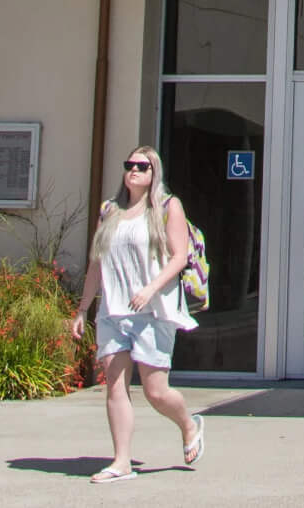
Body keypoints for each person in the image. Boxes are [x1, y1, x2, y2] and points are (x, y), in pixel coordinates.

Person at [69, 146, 206, 482]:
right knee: (115, 386)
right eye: (129, 165)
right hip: (113, 312)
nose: (134, 170)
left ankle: (189, 424)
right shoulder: (110, 210)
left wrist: (150, 288)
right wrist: (83, 309)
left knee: (155, 391)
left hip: (153, 311)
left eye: (142, 166)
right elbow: (96, 263)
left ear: (153, 172)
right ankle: (121, 462)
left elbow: (179, 257)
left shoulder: (166, 207)